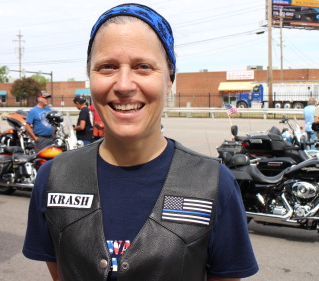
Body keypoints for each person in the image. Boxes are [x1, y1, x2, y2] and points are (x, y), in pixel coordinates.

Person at [23, 3, 258, 281]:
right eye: (107, 67)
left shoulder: (214, 184)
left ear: (169, 79)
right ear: (90, 78)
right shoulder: (54, 178)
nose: (123, 84)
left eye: (143, 67)